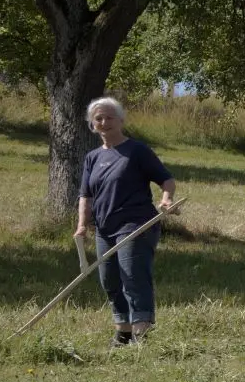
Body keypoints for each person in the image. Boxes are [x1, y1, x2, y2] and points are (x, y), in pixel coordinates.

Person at [74, 97, 180, 346]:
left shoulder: (137, 151)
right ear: (92, 124)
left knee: (133, 276)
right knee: (109, 280)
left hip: (136, 225)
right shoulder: (92, 157)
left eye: (109, 117)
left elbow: (166, 180)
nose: (104, 122)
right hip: (104, 228)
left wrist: (166, 200)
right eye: (98, 118)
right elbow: (85, 195)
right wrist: (82, 225)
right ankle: (123, 333)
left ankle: (142, 335)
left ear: (121, 120)